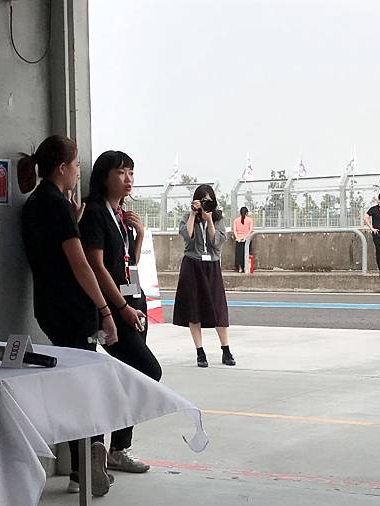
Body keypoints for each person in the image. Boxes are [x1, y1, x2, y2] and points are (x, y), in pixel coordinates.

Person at [20, 135, 118, 497]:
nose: (79, 171)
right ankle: (89, 460)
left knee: (73, 384)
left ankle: (80, 467)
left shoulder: (35, 203)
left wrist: (72, 220)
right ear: (62, 168)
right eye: (76, 165)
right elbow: (80, 265)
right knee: (87, 386)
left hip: (48, 308)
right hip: (74, 311)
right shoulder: (57, 207)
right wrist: (105, 310)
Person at [78, 150, 162, 482]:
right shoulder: (95, 213)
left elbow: (127, 264)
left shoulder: (120, 215)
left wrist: (138, 236)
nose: (128, 179)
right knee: (147, 371)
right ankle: (109, 442)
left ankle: (119, 447)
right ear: (103, 177)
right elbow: (97, 267)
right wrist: (120, 309)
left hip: (131, 301)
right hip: (113, 308)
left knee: (133, 373)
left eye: (131, 172)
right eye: (121, 172)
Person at [173, 184, 235, 368]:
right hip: (192, 265)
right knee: (194, 309)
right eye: (202, 200)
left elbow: (216, 243)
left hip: (212, 266)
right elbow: (187, 236)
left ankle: (226, 349)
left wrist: (209, 220)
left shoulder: (218, 218)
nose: (205, 204)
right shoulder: (187, 217)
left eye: (209, 201)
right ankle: (200, 351)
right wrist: (193, 214)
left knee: (218, 308)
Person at [233, 206, 254, 273]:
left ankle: (240, 268)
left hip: (238, 239)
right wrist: (245, 237)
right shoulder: (250, 220)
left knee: (239, 254)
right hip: (247, 240)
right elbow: (250, 230)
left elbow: (235, 230)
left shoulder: (236, 220)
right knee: (246, 254)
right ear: (247, 213)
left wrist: (237, 237)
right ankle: (246, 267)